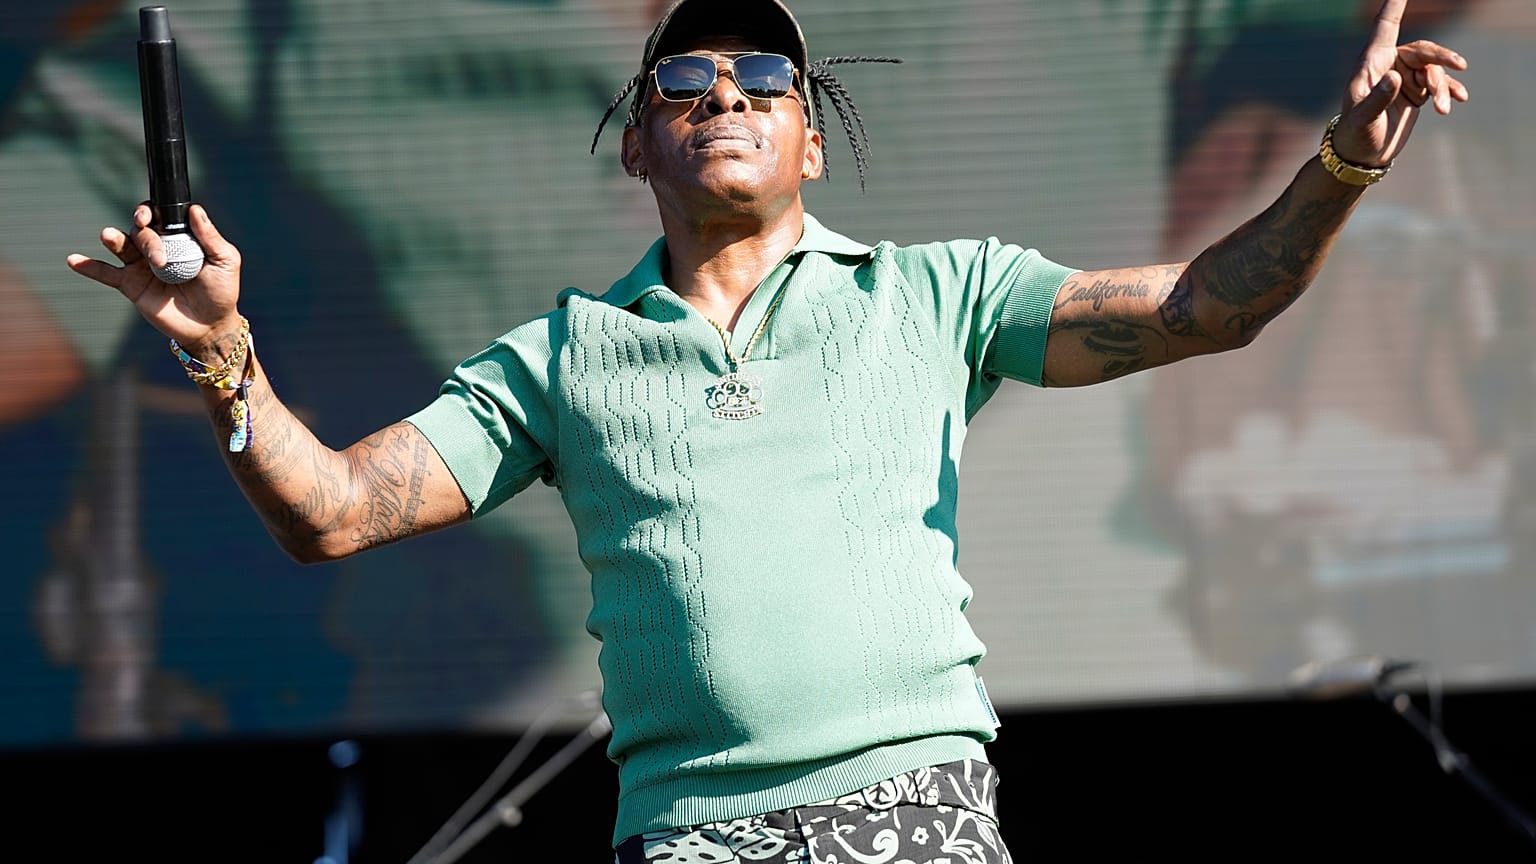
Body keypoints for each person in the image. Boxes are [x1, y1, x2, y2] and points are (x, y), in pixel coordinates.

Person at [67, 0, 1468, 859]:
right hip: (687, 838)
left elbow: (1208, 307)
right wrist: (224, 356)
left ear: (808, 139)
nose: (723, 91)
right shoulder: (563, 356)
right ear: (639, 144)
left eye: (763, 77)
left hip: (914, 817)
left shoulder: (934, 292)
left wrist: (1342, 163)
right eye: (680, 81)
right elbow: (332, 514)